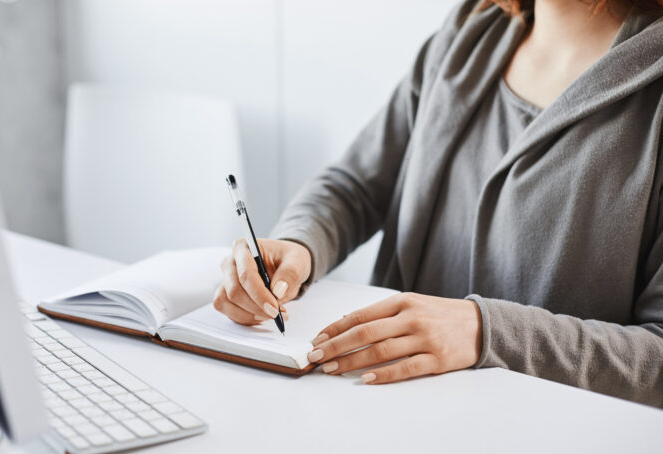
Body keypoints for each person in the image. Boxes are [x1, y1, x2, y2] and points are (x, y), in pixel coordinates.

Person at [213, 0, 663, 407]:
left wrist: (485, 332)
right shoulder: (469, 31)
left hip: (546, 445)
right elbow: (355, 184)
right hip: (381, 411)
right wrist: (300, 244)